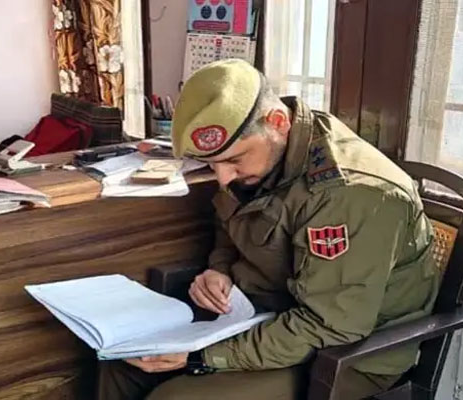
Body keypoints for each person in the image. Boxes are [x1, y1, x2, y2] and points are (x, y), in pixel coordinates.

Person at [96, 59, 440, 400]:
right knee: (125, 366)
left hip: (348, 355)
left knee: (176, 398)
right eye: (211, 164)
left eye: (233, 160)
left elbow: (330, 325)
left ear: (277, 122)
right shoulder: (267, 154)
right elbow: (229, 221)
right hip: (267, 315)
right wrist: (219, 269)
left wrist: (203, 358)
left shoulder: (351, 195)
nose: (223, 178)